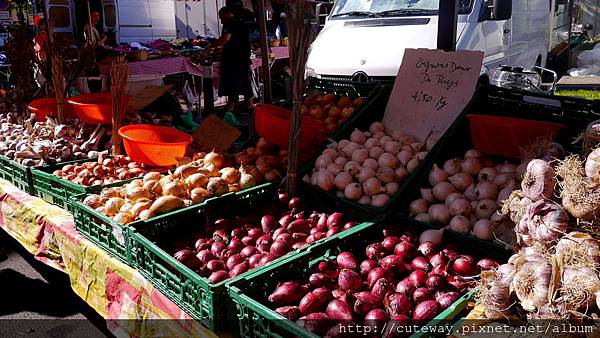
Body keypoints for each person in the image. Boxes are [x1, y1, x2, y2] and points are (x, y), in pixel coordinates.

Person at [205, 7, 253, 111]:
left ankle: (231, 107)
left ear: (226, 14)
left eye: (220, 16)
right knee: (245, 81)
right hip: (244, 56)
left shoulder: (229, 23)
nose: (220, 19)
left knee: (233, 81)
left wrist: (211, 46)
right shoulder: (242, 23)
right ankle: (249, 105)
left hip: (234, 58)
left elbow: (226, 38)